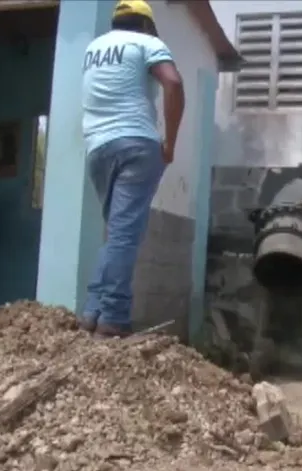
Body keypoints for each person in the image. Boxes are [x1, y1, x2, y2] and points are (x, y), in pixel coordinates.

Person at [81, 0, 184, 338]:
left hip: (97, 148)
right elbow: (173, 82)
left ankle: (93, 310)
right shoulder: (147, 43)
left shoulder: (93, 49)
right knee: (125, 235)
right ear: (145, 24)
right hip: (137, 145)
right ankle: (113, 320)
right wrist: (169, 143)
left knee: (115, 233)